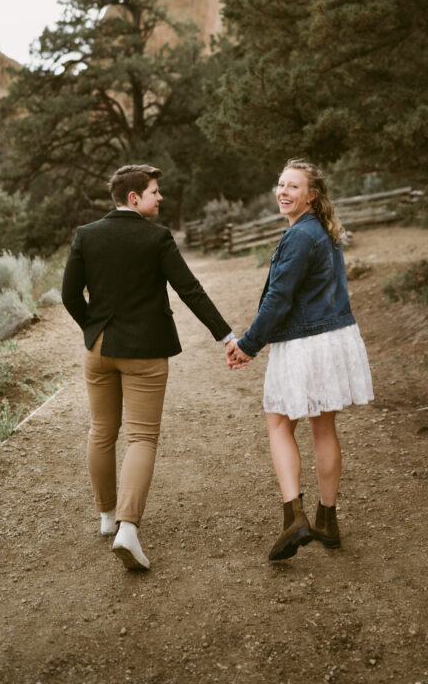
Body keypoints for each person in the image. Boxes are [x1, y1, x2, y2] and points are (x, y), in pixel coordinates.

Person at [62, 164, 234, 571]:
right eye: (155, 192)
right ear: (133, 198)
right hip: (145, 353)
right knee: (141, 438)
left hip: (99, 349)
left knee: (102, 432)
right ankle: (127, 529)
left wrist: (93, 328)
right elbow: (189, 289)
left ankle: (106, 517)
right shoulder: (156, 237)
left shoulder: (86, 235)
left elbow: (70, 294)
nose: (161, 198)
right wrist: (225, 336)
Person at [226, 158, 373, 561]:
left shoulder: (299, 237)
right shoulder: (323, 231)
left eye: (293, 186)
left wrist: (248, 344)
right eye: (280, 184)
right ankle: (328, 520)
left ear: (312, 195)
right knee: (323, 429)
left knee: (278, 424)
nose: (283, 192)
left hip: (306, 344)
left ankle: (295, 516)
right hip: (332, 339)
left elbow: (279, 299)